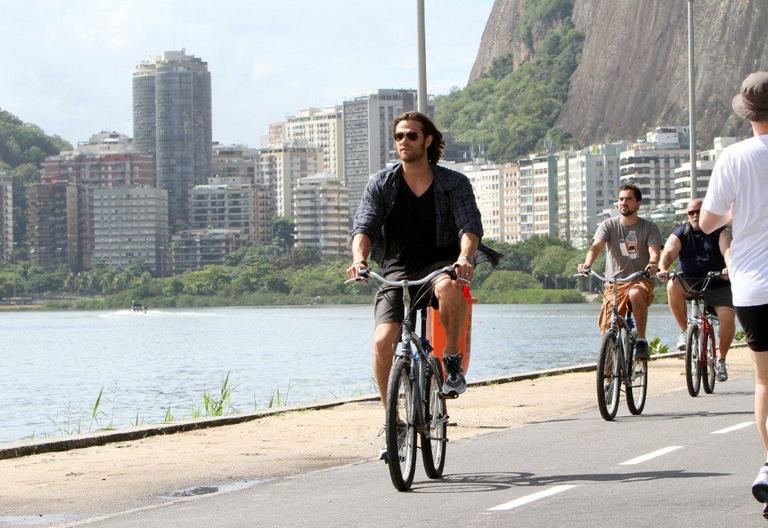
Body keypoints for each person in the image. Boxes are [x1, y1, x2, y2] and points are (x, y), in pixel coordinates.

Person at [346, 111, 483, 407]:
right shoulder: (382, 184)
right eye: (398, 136)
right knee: (383, 342)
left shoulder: (453, 183)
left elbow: (469, 227)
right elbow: (364, 226)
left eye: (411, 135)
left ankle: (451, 357)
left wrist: (464, 258)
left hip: (440, 265)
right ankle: (391, 416)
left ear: (427, 140)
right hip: (396, 270)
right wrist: (359, 259)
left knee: (448, 287)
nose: (404, 141)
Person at [699, 71, 768, 517]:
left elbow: (707, 222)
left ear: (747, 114)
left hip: (754, 286)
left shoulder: (734, 157)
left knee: (766, 380)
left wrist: (734, 212)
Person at [578, 184, 663, 360]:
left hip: (640, 279)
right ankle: (608, 378)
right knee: (609, 327)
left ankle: (640, 340)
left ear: (638, 203)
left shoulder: (649, 227)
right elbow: (596, 247)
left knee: (635, 293)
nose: (624, 203)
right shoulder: (608, 225)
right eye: (621, 199)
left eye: (629, 199)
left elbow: (654, 251)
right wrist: (587, 263)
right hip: (614, 283)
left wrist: (653, 263)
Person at [657, 197, 735, 381]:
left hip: (718, 282)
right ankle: (685, 332)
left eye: (698, 212)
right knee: (672, 283)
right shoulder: (682, 232)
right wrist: (663, 268)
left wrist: (729, 267)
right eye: (690, 212)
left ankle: (721, 360)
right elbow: (668, 252)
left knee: (727, 318)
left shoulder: (720, 230)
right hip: (690, 281)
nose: (694, 215)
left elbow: (728, 251)